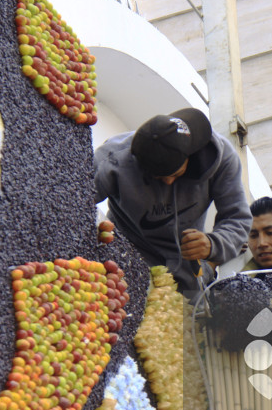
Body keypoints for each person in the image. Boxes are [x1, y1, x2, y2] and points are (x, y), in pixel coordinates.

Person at [94, 108, 252, 293]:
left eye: (176, 174)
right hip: (124, 264)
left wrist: (213, 244)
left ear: (190, 154)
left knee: (187, 308)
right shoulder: (113, 159)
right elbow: (75, 196)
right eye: (157, 178)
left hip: (187, 273)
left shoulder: (223, 158)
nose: (168, 182)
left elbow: (238, 220)